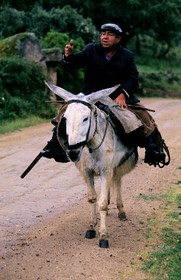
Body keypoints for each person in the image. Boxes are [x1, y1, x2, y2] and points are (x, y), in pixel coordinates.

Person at [41, 23, 169, 167]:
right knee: (66, 111)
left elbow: (133, 78)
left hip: (115, 97)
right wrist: (69, 56)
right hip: (91, 96)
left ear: (118, 39)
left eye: (110, 34)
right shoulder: (91, 49)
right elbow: (76, 62)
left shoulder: (127, 56)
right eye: (103, 34)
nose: (105, 37)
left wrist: (123, 94)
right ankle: (54, 146)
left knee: (142, 113)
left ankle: (152, 149)